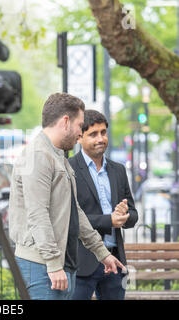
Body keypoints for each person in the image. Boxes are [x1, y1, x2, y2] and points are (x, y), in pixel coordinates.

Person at [8, 93, 126, 300]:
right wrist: (53, 265)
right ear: (65, 122)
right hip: (42, 267)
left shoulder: (58, 156)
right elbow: (37, 214)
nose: (80, 133)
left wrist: (102, 253)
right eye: (80, 125)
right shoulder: (38, 156)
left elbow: (74, 211)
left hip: (61, 264)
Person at [69, 110, 138, 300]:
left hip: (115, 261)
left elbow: (133, 214)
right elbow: (70, 217)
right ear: (80, 137)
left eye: (103, 132)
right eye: (93, 134)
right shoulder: (69, 168)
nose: (100, 138)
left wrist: (125, 216)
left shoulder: (118, 170)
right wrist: (109, 220)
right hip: (82, 263)